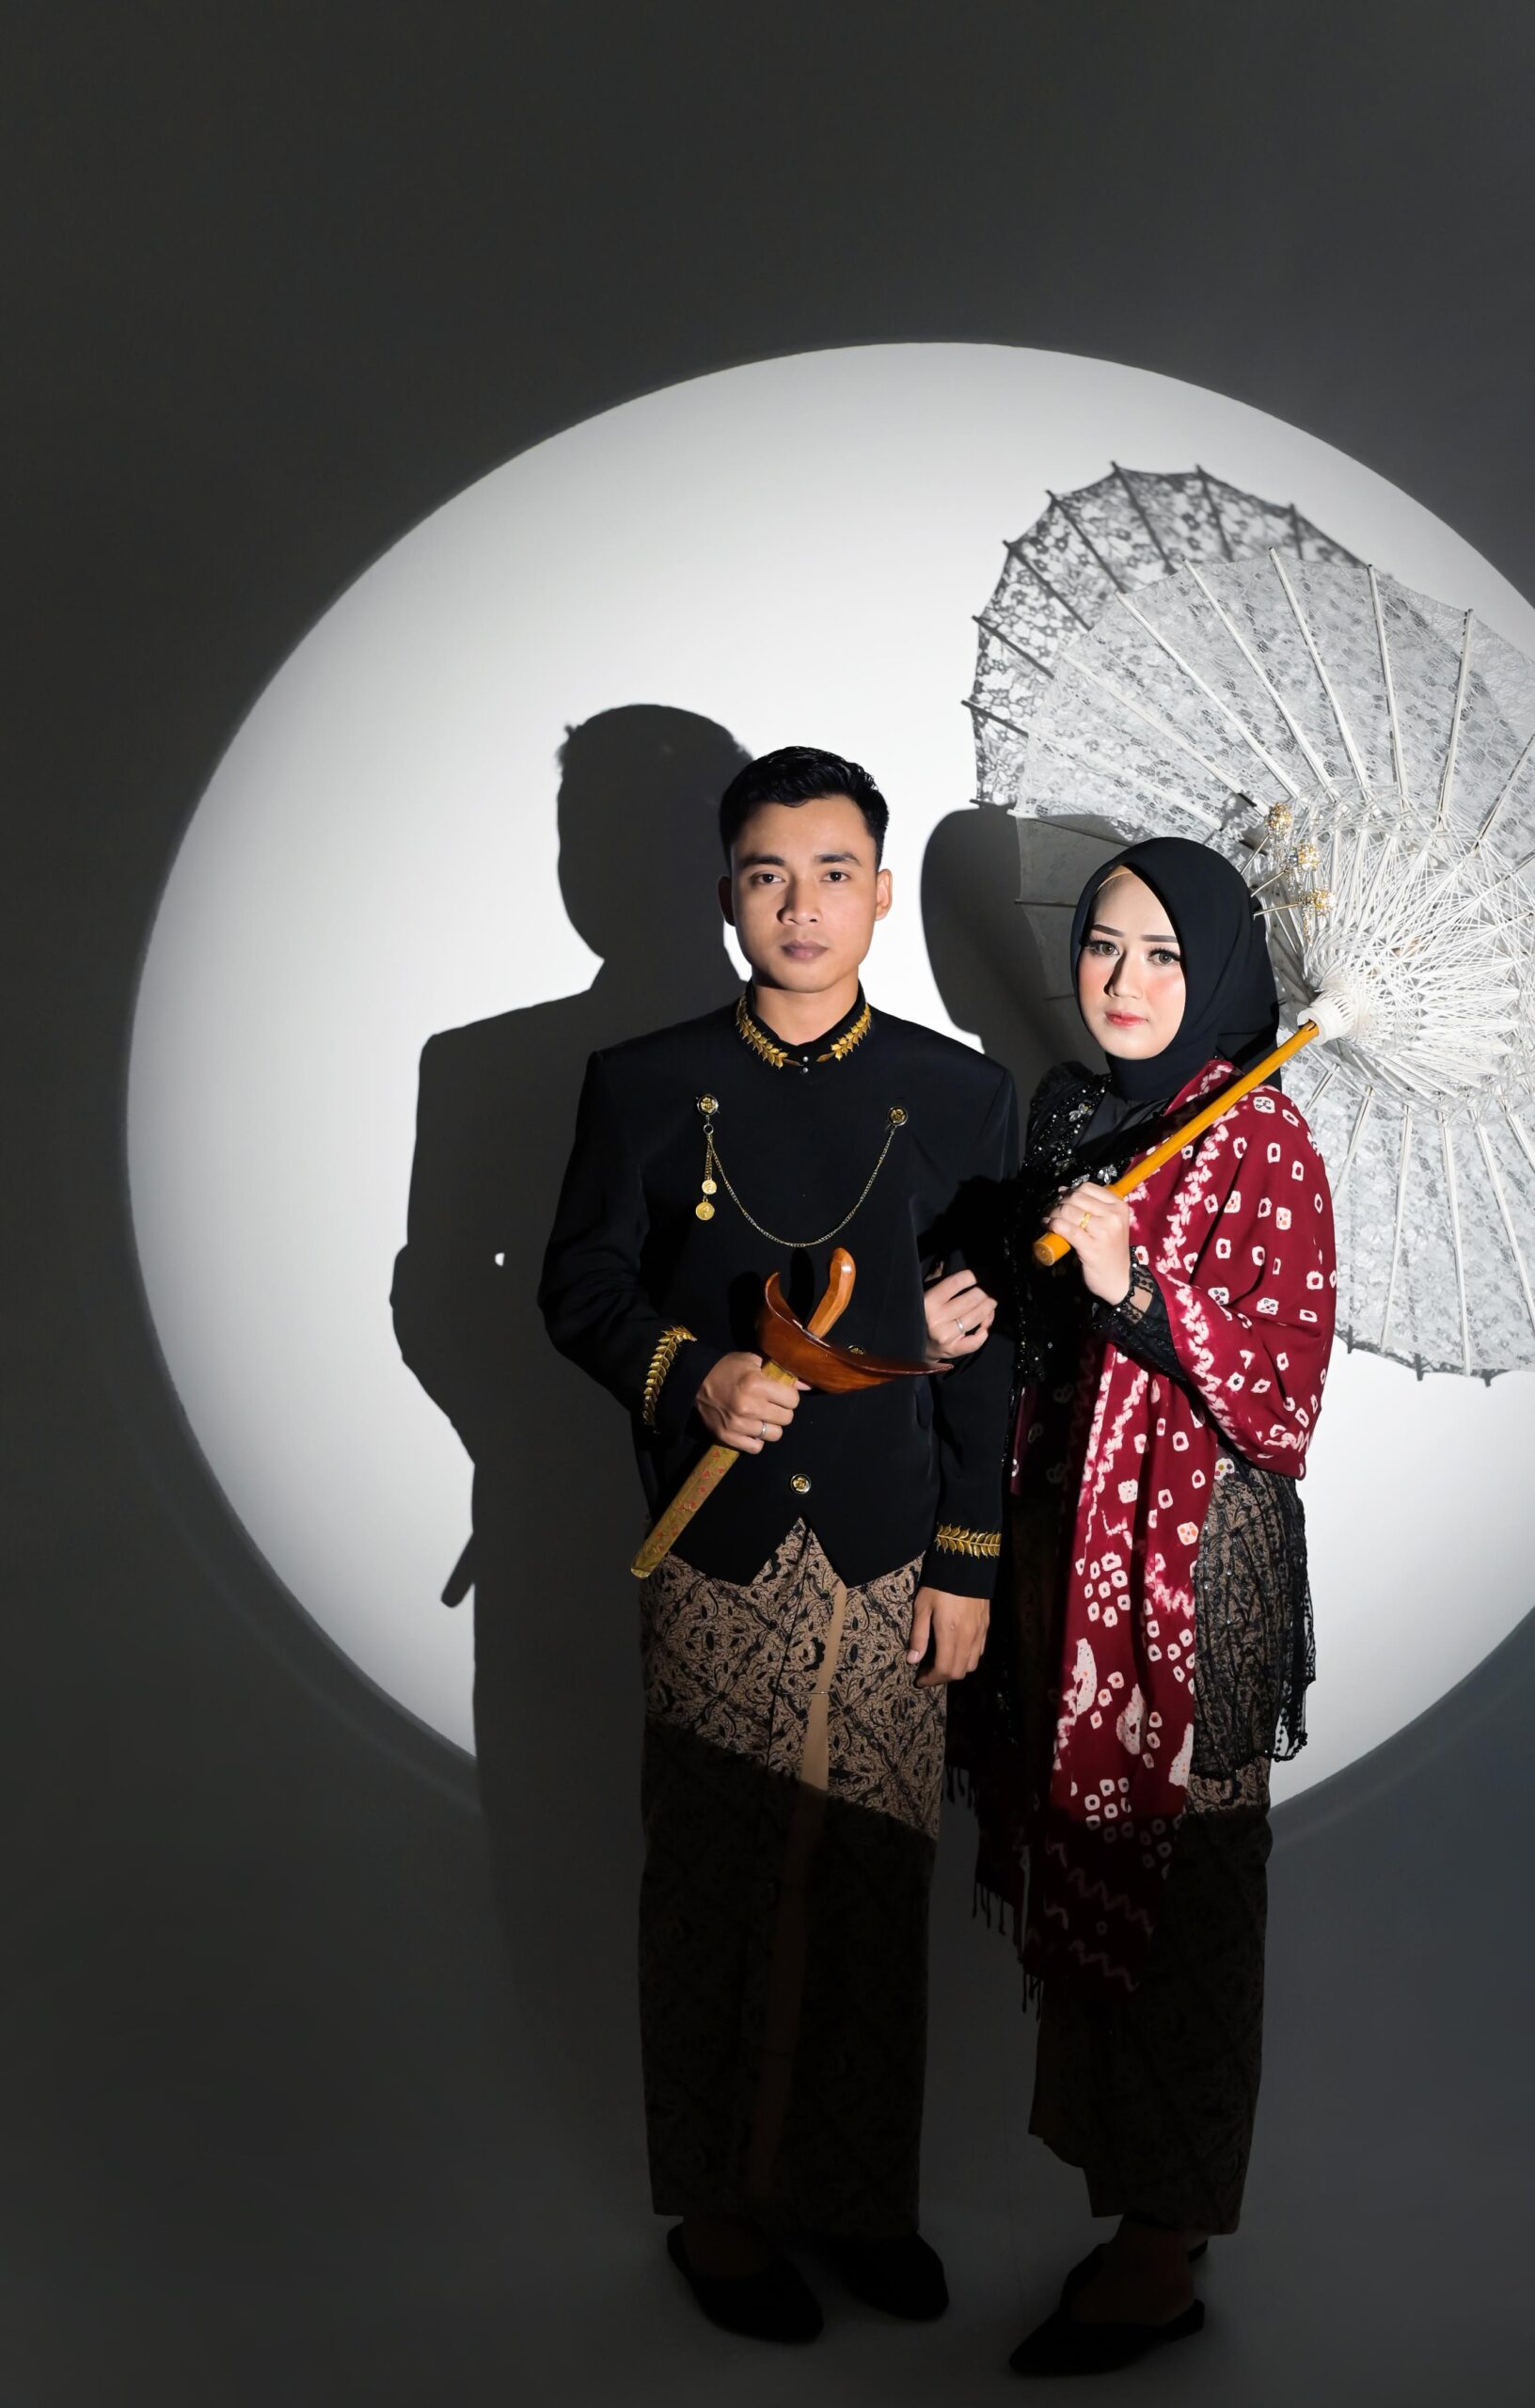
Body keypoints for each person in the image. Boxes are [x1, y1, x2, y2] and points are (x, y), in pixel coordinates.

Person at [538, 744, 1018, 2345]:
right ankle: (720, 2214)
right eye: (767, 875)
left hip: (891, 1551)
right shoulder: (639, 1080)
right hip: (716, 1547)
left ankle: (859, 2201)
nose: (800, 906)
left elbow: (984, 1345)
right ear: (726, 895)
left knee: (875, 1884)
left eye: (831, 874)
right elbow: (578, 1286)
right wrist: (691, 1373)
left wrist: (967, 1556)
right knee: (715, 1877)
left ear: (877, 894)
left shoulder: (961, 1094)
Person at [935, 835, 1335, 2377]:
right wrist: (975, 1289)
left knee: (1189, 1897)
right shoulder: (1076, 1115)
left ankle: (1165, 2252)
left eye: (1163, 954)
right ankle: (1138, 2205)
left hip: (1191, 1569)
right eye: (1103, 943)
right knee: (1092, 1859)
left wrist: (1139, 1290)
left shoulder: (1264, 1141)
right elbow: (1034, 1341)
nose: (1121, 978)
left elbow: (1282, 1406)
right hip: (1066, 1546)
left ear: (1218, 970)